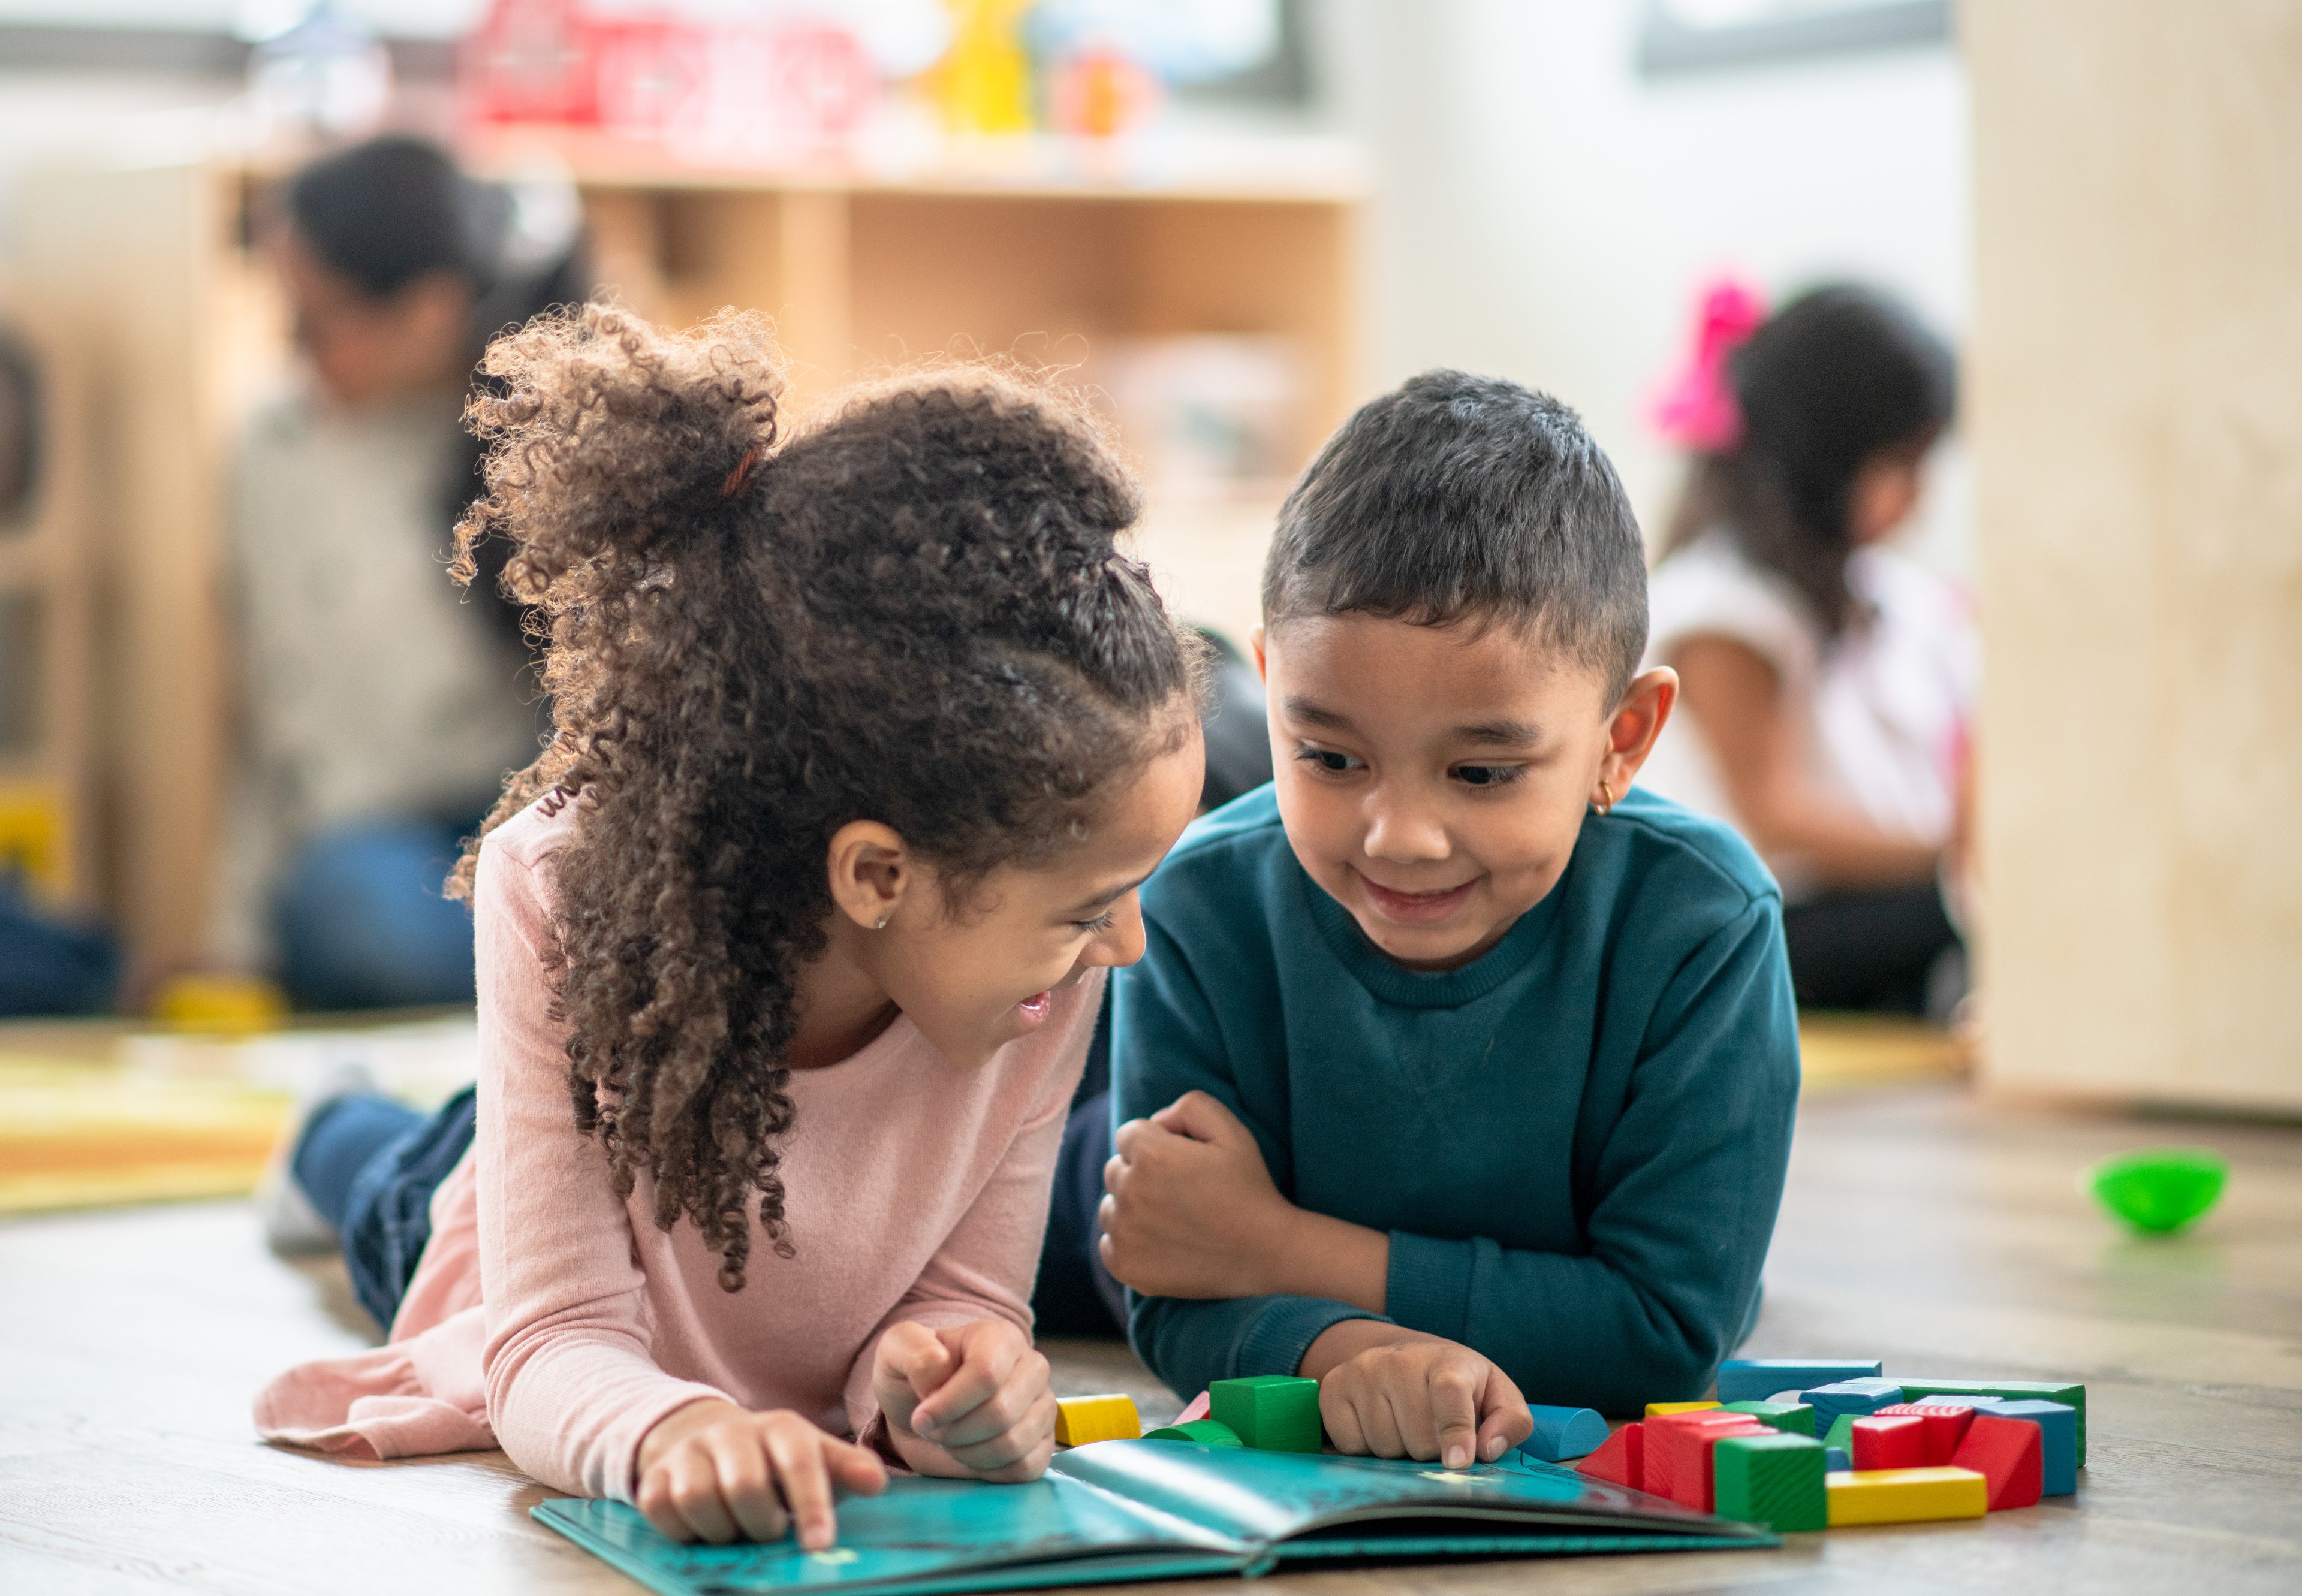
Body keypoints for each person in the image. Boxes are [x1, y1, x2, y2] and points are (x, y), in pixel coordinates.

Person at [252, 307, 1207, 1550]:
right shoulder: (563, 883)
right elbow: (550, 1340)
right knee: (405, 1191)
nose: (1126, 944)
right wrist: (670, 1431)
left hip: (756, 1255)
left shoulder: (1044, 964)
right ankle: (327, 1124)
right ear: (878, 872)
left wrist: (950, 1376)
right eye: (1090, 908)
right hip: (553, 1243)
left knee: (453, 1150)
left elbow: (961, 1294)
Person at [1096, 372, 1800, 1464]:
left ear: (1623, 738)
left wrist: (1279, 1245)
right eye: (1328, 756)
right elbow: (1169, 1279)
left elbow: (1663, 1333)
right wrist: (1357, 1351)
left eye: (1480, 771)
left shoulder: (1705, 923)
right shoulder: (1196, 902)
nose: (1399, 837)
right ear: (1273, 683)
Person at [216, 135, 588, 1010]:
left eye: (314, 322)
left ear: (429, 312)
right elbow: (265, 716)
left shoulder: (548, 433)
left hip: (542, 825)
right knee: (359, 911)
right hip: (384, 850)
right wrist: (229, 941)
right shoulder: (277, 448)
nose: (294, 352)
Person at [1638, 283, 1971, 1018]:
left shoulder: (1881, 591)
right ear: (1828, 453)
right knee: (1963, 914)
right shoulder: (1721, 606)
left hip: (1855, 906)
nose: (1919, 498)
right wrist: (1959, 854)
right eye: (1903, 463)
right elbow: (1778, 812)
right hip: (1754, 926)